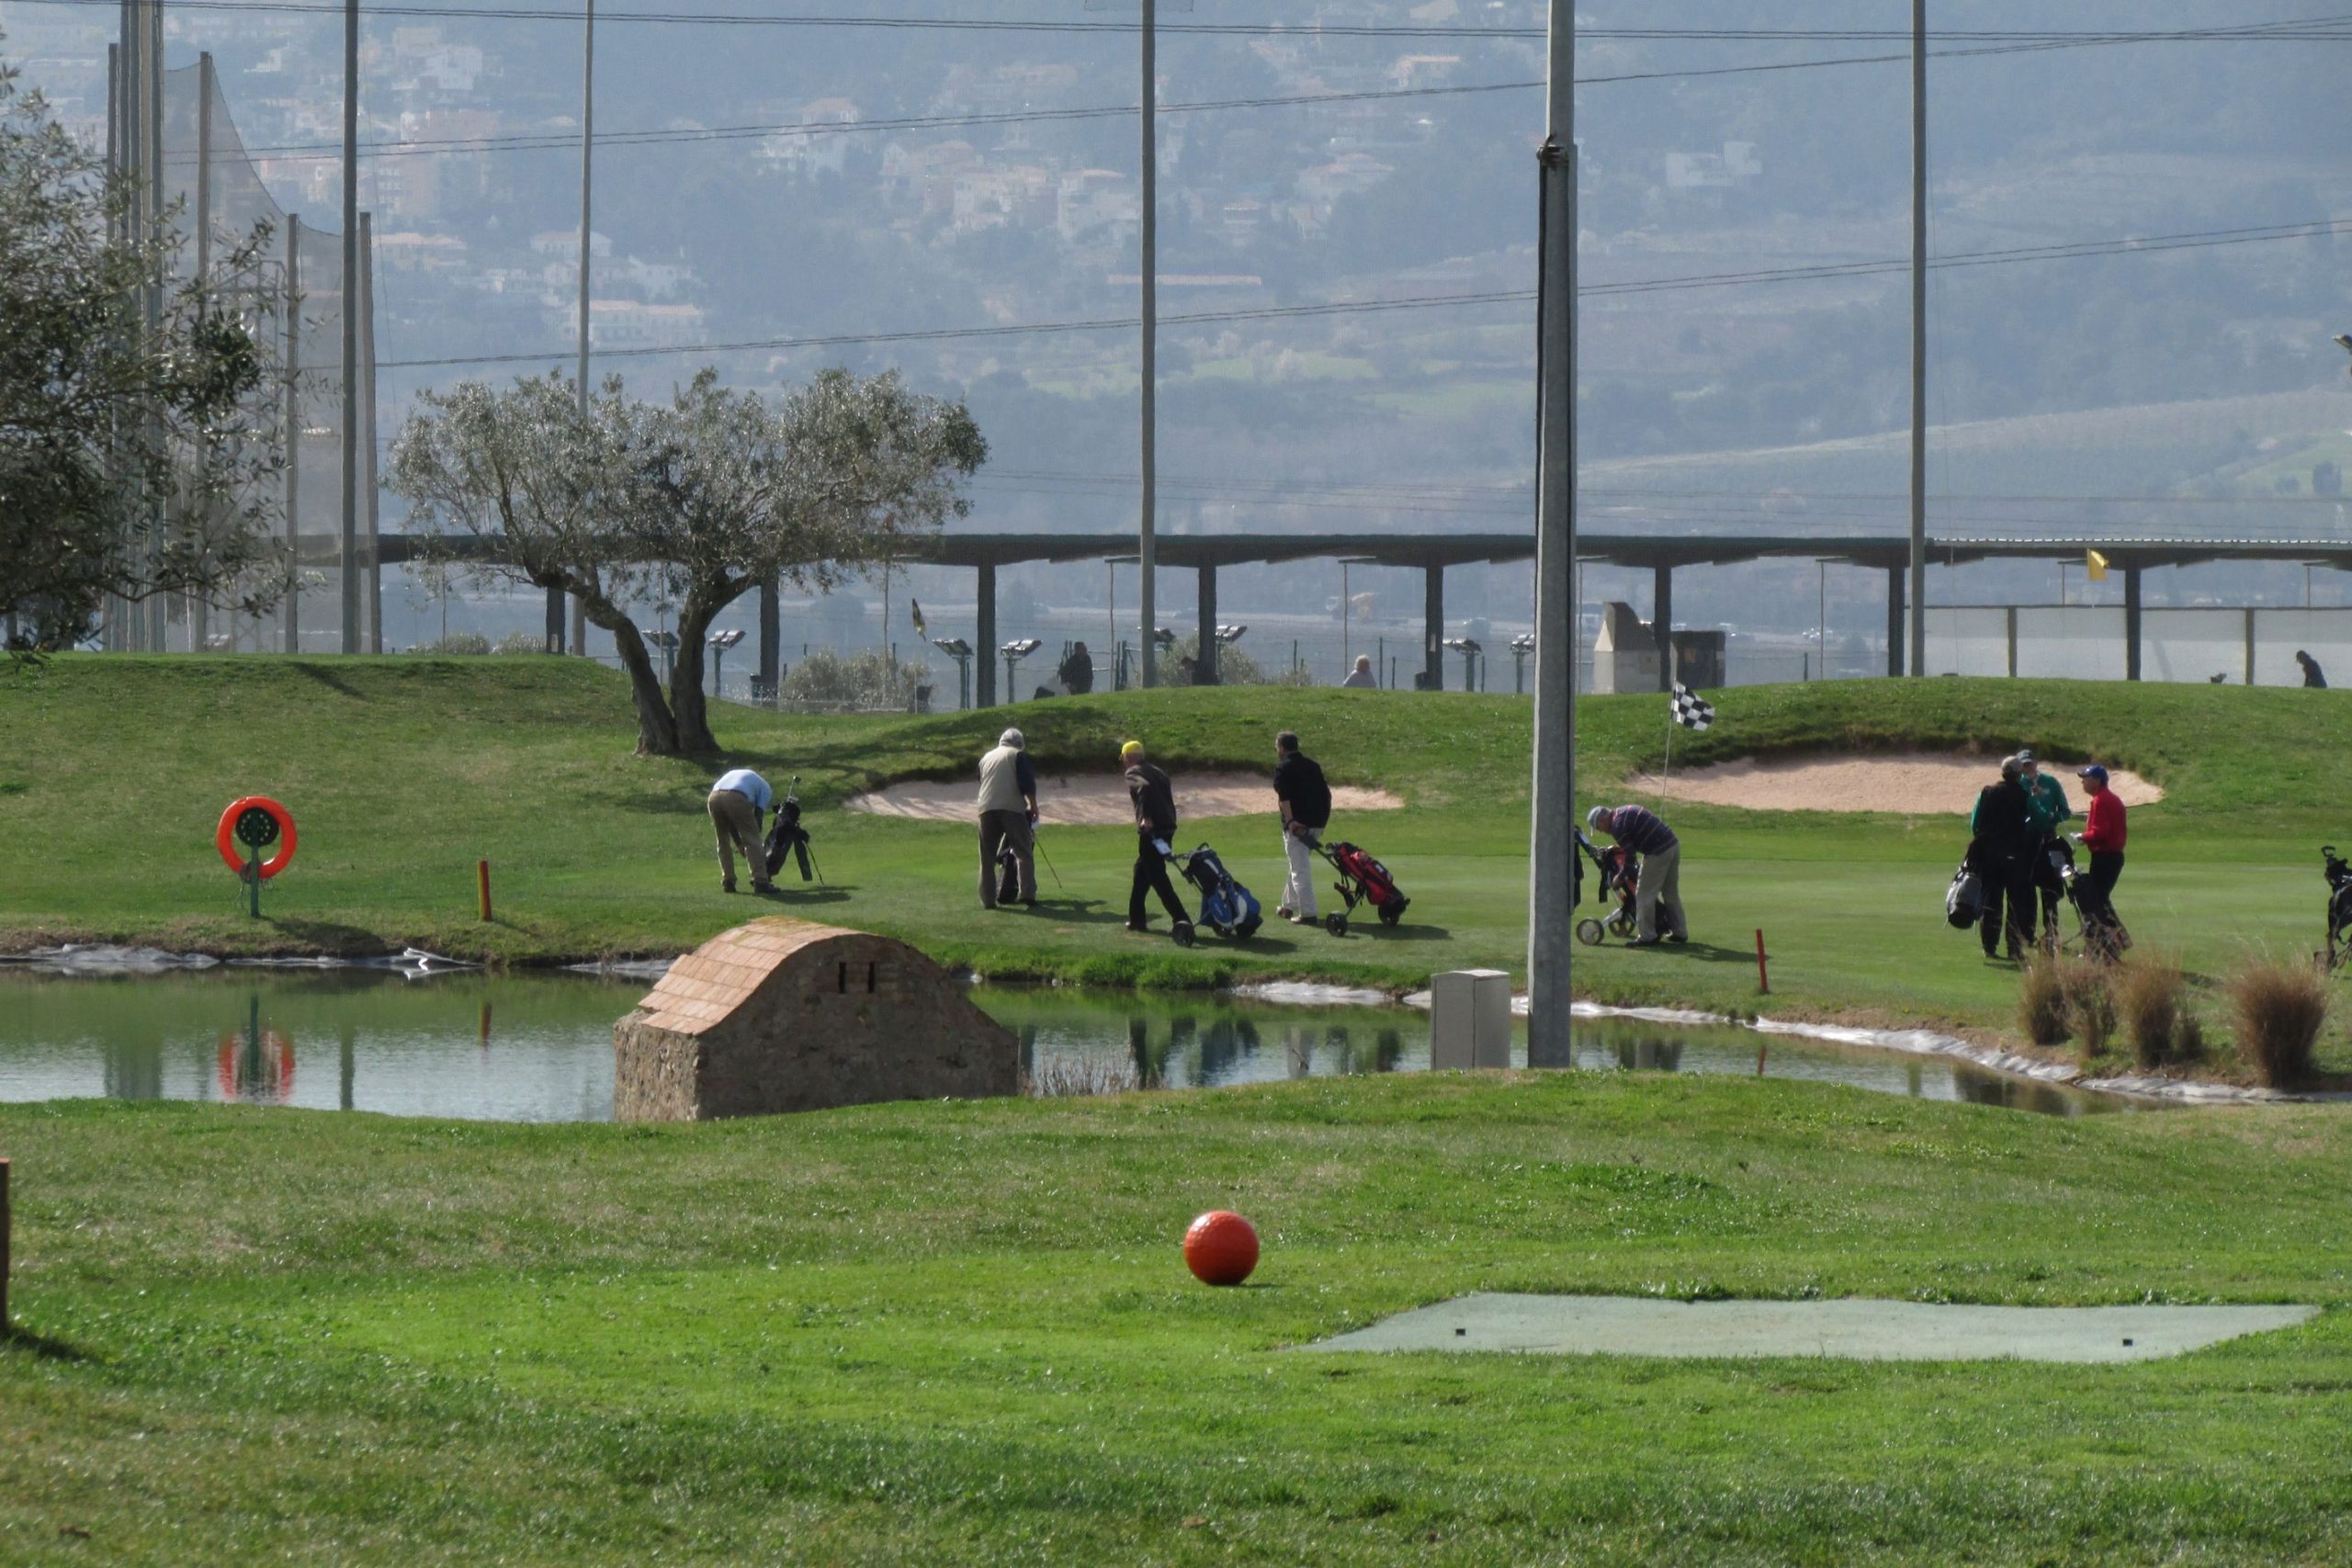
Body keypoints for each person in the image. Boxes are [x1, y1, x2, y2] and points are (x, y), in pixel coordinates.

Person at [1967, 756, 2037, 960]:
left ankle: (1989, 946)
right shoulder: (2023, 795)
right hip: (2015, 855)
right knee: (2016, 903)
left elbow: (1976, 824)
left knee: (1992, 900)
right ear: (2018, 774)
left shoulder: (1988, 792)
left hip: (1990, 855)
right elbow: (2033, 820)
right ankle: (2014, 949)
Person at [1586, 803, 1686, 945]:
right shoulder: (1623, 811)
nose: (1601, 831)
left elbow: (1630, 857)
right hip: (1673, 846)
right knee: (1671, 893)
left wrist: (1620, 877)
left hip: (1657, 852)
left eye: (1598, 827)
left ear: (1602, 820)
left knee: (1644, 895)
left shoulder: (1617, 826)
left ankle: (1648, 936)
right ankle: (1680, 932)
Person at [1121, 739, 1191, 933]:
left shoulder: (1132, 772)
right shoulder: (1158, 771)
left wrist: (1146, 817)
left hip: (1152, 830)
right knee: (1141, 872)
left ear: (1128, 757)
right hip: (1167, 827)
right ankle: (1137, 920)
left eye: (1124, 758)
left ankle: (1181, 919)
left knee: (1158, 877)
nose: (1124, 762)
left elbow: (1145, 790)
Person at [1271, 730, 1333, 924]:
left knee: (1299, 869)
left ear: (1282, 748)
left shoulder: (1283, 768)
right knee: (1297, 864)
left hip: (1297, 826)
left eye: (1277, 747)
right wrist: (1322, 822)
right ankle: (1288, 906)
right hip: (1317, 822)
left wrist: (1290, 821)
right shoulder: (1313, 766)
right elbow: (1327, 795)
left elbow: (1284, 797)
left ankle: (1308, 913)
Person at [975, 727, 1037, 909]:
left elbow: (982, 780)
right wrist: (1034, 806)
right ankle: (1027, 894)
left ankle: (988, 900)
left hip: (986, 808)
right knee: (1023, 852)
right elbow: (1027, 783)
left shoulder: (986, 757)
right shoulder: (1017, 755)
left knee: (987, 857)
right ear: (1019, 743)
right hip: (1012, 808)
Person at [2018, 749, 2074, 937]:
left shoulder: (2050, 782)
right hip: (2026, 841)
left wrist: (2052, 815)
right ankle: (2028, 932)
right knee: (2027, 889)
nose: (2027, 768)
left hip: (2049, 839)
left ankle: (2051, 932)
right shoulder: (2018, 784)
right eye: (2024, 765)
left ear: (2036, 763)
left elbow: (2065, 811)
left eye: (2029, 763)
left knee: (2050, 889)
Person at [707, 766, 775, 895]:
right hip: (736, 797)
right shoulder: (766, 789)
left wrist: (739, 844)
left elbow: (732, 824)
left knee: (722, 840)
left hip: (714, 797)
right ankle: (760, 882)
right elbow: (758, 817)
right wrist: (753, 841)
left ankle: (728, 881)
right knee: (753, 839)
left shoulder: (744, 778)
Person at [2075, 763, 2128, 915]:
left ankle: (2109, 929)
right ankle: (2111, 930)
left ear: (2097, 781)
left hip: (2105, 856)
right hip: (2112, 855)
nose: (2083, 781)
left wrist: (2082, 837)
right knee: (2100, 898)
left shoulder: (2100, 800)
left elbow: (2100, 833)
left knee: (2097, 899)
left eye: (2086, 778)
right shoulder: (2109, 798)